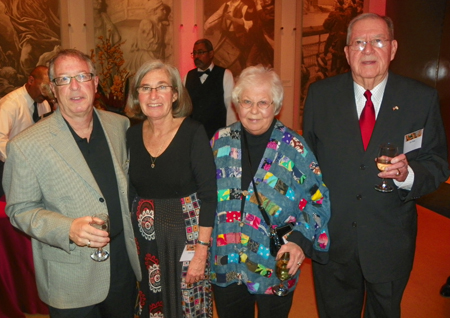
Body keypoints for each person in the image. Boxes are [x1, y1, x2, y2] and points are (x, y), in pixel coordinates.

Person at [303, 13, 450, 318]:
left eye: (378, 41)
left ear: (393, 49)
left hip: (389, 241)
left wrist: (408, 175)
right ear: (346, 53)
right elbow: (308, 168)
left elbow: (436, 162)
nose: (368, 49)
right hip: (334, 239)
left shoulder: (420, 100)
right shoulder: (320, 97)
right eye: (359, 42)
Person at [3, 49, 141, 317]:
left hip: (122, 268)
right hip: (69, 276)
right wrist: (67, 228)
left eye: (82, 76)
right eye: (64, 80)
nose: (75, 87)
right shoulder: (25, 145)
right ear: (53, 89)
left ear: (96, 82)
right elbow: (19, 209)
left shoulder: (120, 126)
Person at [210, 65, 331, 318]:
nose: (254, 110)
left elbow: (318, 200)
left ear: (276, 106)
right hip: (226, 260)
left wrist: (299, 241)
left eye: (263, 102)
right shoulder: (219, 141)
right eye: (247, 102)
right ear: (236, 104)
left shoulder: (294, 149)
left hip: (275, 264)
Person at [126, 60, 217, 317]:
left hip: (186, 240)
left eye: (162, 87)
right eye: (145, 88)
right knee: (152, 303)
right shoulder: (130, 136)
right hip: (145, 243)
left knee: (186, 307)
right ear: (137, 96)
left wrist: (201, 251)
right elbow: (130, 192)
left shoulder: (193, 133)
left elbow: (209, 197)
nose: (153, 95)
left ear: (175, 94)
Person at [0, 65, 52, 197]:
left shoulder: (43, 104)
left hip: (31, 167)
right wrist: (20, 162)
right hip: (7, 166)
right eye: (44, 87)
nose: (46, 93)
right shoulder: (10, 104)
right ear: (31, 81)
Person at [184, 38, 237, 139]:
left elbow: (231, 109)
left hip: (218, 136)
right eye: (194, 53)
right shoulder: (188, 76)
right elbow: (184, 109)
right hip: (193, 136)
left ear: (211, 53)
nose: (196, 56)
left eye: (200, 52)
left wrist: (231, 136)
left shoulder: (225, 75)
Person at [204, 0, 253, 74]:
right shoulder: (226, 5)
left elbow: (249, 23)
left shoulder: (243, 6)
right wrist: (206, 26)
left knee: (240, 60)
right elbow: (217, 15)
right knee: (226, 59)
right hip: (227, 35)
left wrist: (232, 19)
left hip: (239, 37)